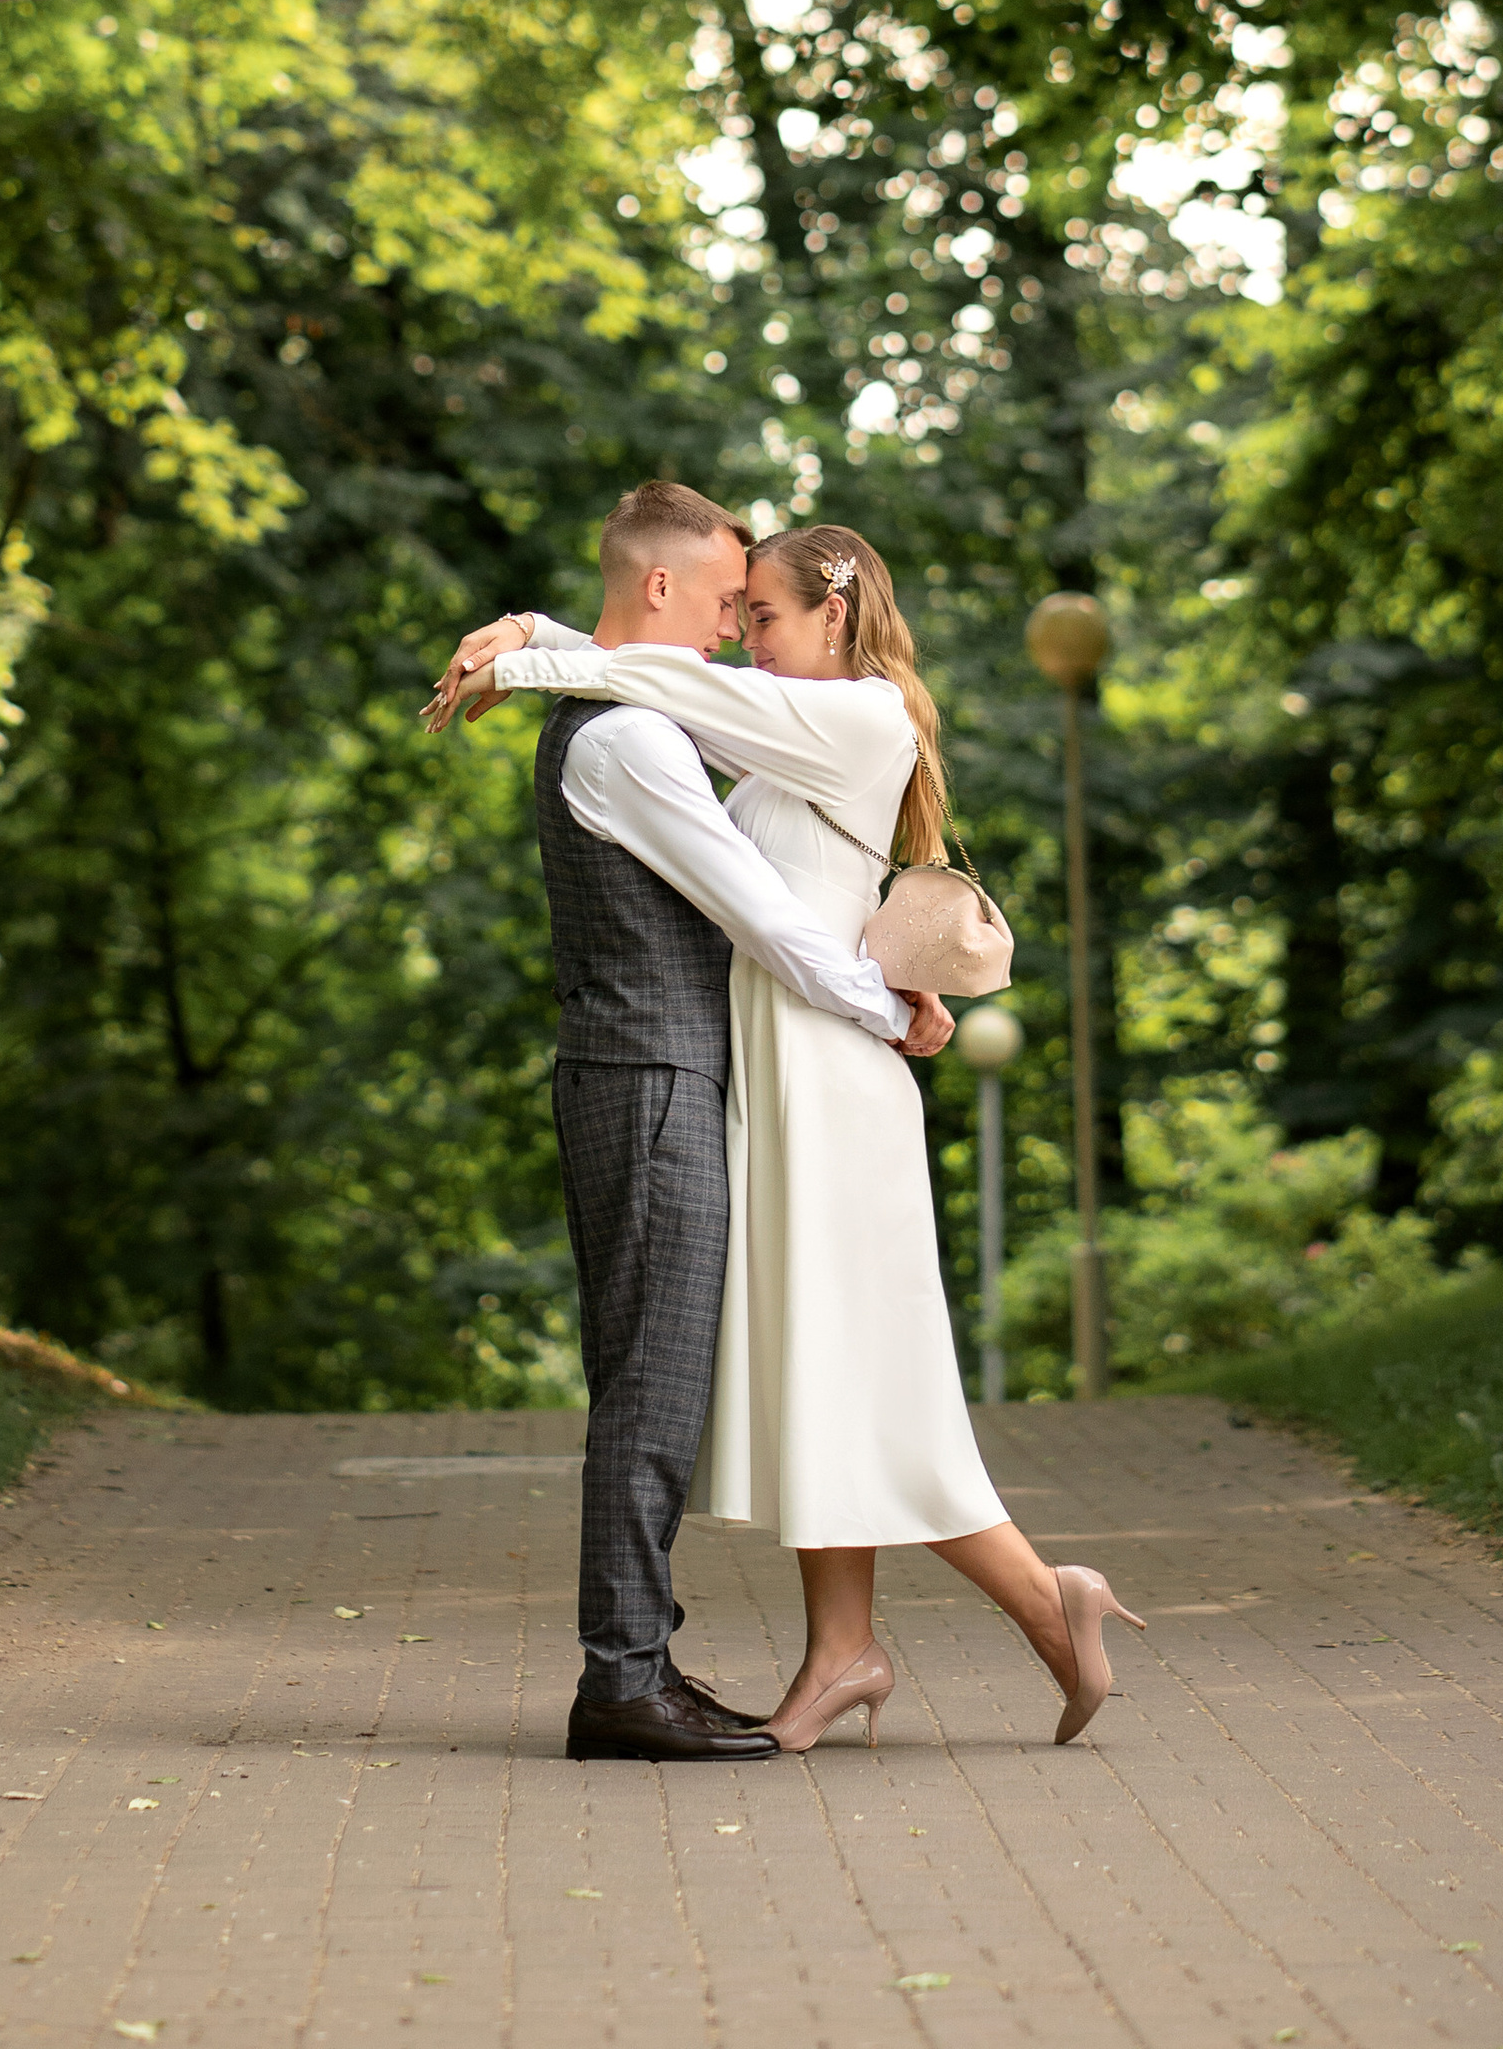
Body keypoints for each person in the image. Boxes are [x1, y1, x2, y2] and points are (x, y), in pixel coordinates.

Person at [432, 516, 1146, 1752]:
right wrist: (544, 641)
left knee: (872, 1374)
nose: (741, 641)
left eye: (761, 616)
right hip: (774, 1074)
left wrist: (530, 645)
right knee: (823, 1373)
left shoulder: (859, 714)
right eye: (736, 612)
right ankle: (842, 1651)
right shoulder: (773, 734)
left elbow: (649, 678)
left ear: (836, 609)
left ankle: (1044, 1601)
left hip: (828, 1075)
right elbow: (654, 683)